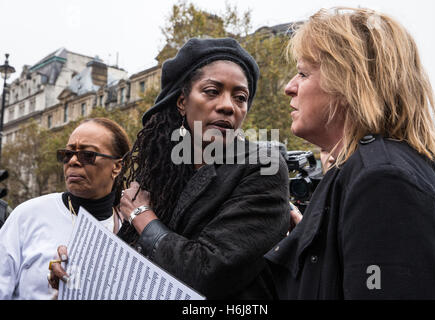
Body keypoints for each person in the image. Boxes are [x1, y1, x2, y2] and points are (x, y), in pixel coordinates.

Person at [265, 7, 435, 299]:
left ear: (349, 83)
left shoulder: (383, 182)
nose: (290, 87)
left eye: (303, 73)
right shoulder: (367, 172)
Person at [111, 38, 289, 300]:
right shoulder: (162, 169)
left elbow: (209, 271)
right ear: (182, 101)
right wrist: (79, 273)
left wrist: (143, 217)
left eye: (240, 97)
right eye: (212, 91)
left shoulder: (263, 167)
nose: (229, 106)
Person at [0, 118, 130, 299]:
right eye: (67, 154)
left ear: (116, 166)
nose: (73, 161)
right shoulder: (28, 215)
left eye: (88, 155)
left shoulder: (129, 230)